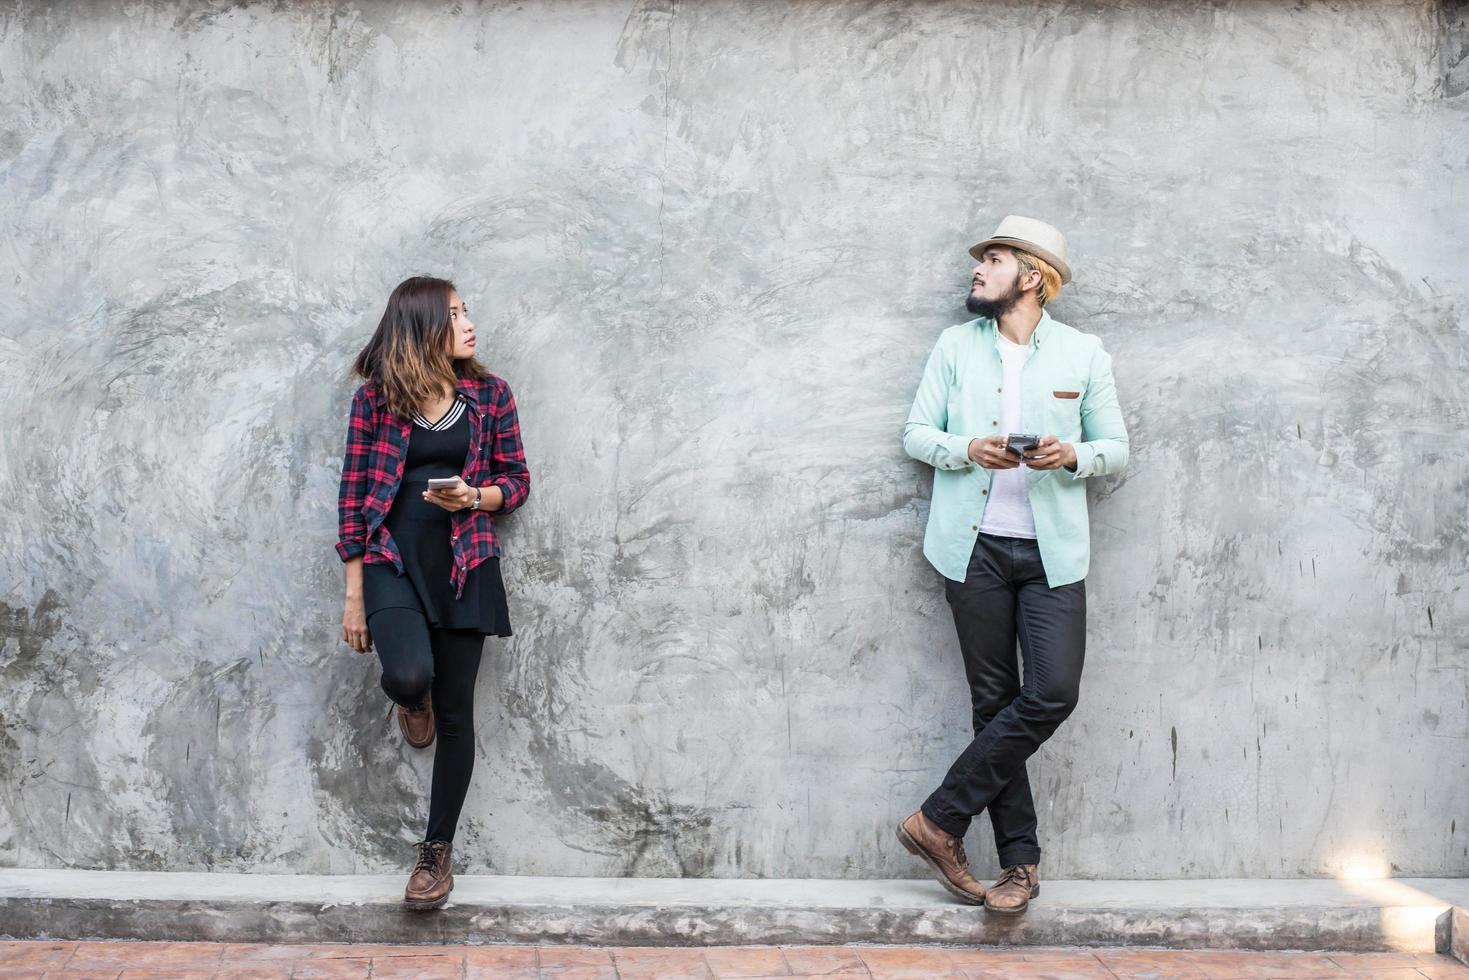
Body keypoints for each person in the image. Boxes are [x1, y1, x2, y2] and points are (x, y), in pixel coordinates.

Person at [896, 216, 1128, 914]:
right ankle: (1020, 866)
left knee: (1050, 693)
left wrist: (1073, 456)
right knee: (994, 706)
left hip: (1051, 554)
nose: (976, 270)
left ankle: (939, 818)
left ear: (1030, 276)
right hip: (971, 550)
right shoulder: (954, 346)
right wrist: (966, 449)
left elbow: (1115, 447)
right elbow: (915, 432)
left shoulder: (1083, 353)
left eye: (992, 259)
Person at [335, 275, 530, 910]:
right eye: (454, 313)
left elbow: (517, 480)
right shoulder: (375, 403)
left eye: (467, 309)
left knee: (455, 714)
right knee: (408, 673)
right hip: (393, 558)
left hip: (465, 561)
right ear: (422, 327)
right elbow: (353, 498)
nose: (469, 322)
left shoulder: (490, 396)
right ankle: (405, 701)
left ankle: (435, 853)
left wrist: (476, 496)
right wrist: (354, 594)